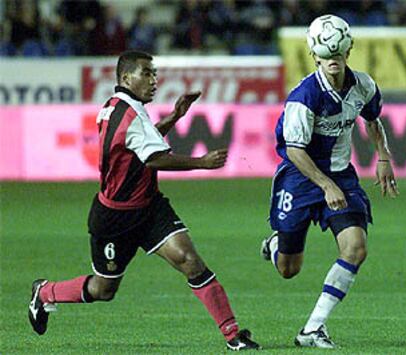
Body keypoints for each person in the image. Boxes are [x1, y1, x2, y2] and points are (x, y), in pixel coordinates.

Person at [29, 50, 260, 352]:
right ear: (126, 78)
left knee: (189, 260)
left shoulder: (118, 107)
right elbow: (154, 159)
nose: (154, 80)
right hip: (115, 217)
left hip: (149, 208)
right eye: (147, 73)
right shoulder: (130, 115)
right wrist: (202, 163)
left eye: (154, 73)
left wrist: (176, 116)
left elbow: (141, 143)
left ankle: (233, 335)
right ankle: (45, 292)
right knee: (104, 289)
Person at [260, 15, 399, 349]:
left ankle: (312, 329)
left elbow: (373, 119)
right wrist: (325, 185)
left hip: (341, 176)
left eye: (338, 51)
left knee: (356, 247)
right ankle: (277, 245)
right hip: (300, 178)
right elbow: (294, 150)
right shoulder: (303, 97)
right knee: (288, 269)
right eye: (325, 53)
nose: (332, 58)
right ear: (314, 56)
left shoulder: (363, 85)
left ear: (349, 49)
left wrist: (383, 157)